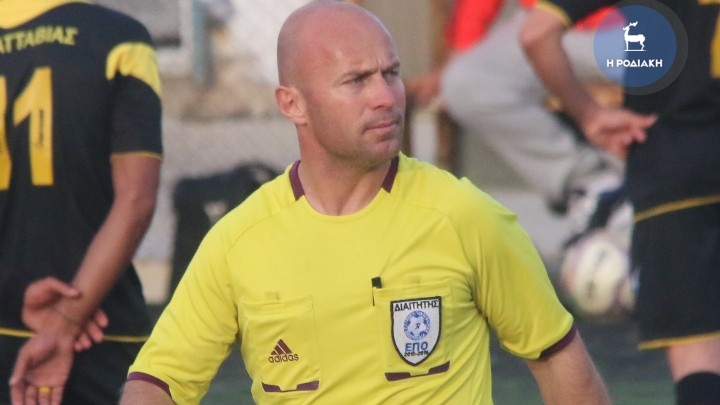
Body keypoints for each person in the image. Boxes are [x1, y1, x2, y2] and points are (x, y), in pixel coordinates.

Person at [119, 2, 610, 404]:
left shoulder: (464, 216)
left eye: (390, 74)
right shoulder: (237, 240)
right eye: (356, 81)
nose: (386, 97)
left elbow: (558, 359)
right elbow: (159, 381)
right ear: (292, 103)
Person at [520, 1, 720, 404]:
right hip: (674, 166)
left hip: (672, 164)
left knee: (697, 348)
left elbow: (536, 33)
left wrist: (588, 113)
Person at [0, 0, 163, 404]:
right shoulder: (117, 38)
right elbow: (136, 199)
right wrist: (66, 320)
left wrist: (13, 292)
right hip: (99, 328)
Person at [406, 0, 626, 232]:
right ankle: (596, 187)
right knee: (464, 82)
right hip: (544, 20)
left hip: (635, 24)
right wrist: (458, 54)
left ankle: (626, 190)